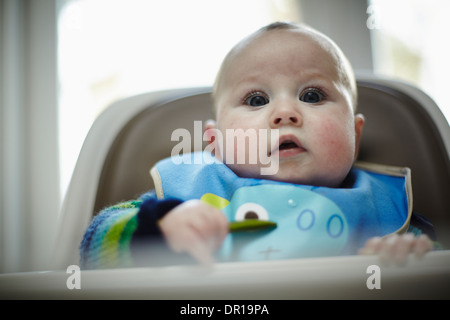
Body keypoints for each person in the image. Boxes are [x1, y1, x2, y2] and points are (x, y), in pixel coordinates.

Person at [80, 22, 437, 270]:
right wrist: (158, 229)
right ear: (215, 143)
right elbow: (93, 247)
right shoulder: (191, 190)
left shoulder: (382, 208)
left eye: (312, 95)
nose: (285, 113)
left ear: (354, 136)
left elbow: (434, 274)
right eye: (255, 100)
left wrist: (409, 256)